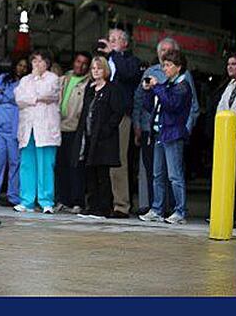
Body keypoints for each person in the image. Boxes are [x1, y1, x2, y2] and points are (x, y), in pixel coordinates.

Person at [136, 37, 200, 218]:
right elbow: (151, 106)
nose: (164, 69)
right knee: (157, 175)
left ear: (178, 67)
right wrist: (149, 90)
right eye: (163, 66)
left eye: (168, 66)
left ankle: (179, 211)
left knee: (175, 175)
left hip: (173, 134)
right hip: (160, 132)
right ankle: (157, 209)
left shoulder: (182, 86)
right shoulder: (168, 85)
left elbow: (171, 104)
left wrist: (157, 88)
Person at [98, 28, 141, 218]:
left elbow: (128, 73)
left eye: (117, 39)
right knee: (102, 160)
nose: (112, 42)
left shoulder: (131, 61)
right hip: (103, 115)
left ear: (125, 43)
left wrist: (114, 54)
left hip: (121, 115)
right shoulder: (104, 61)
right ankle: (103, 202)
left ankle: (121, 205)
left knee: (119, 161)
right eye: (110, 39)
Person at [73, 56, 124, 219]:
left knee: (103, 174)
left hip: (103, 139)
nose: (95, 71)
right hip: (89, 137)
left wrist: (106, 130)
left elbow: (117, 112)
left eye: (99, 68)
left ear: (105, 70)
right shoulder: (90, 88)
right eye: (93, 68)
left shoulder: (112, 89)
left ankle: (104, 207)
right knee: (90, 172)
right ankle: (92, 205)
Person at [13, 50, 62, 214]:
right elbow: (19, 98)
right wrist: (36, 97)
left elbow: (48, 93)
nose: (37, 64)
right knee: (27, 165)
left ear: (47, 63)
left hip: (46, 130)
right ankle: (26, 201)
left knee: (46, 165)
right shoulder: (25, 80)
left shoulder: (53, 78)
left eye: (41, 61)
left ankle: (46, 201)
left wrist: (32, 96)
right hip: (28, 128)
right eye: (34, 61)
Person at [0, 56, 29, 206]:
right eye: (19, 64)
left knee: (15, 163)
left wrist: (4, 95)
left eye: (24, 66)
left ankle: (13, 196)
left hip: (16, 129)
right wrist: (9, 97)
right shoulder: (3, 77)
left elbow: (19, 99)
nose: (21, 68)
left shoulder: (26, 82)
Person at [54, 51, 91, 214]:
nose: (80, 65)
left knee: (76, 167)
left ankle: (77, 201)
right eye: (78, 61)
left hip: (76, 129)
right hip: (59, 128)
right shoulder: (63, 79)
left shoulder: (88, 83)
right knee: (60, 166)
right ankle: (63, 199)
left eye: (84, 63)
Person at [217, 55, 236, 228]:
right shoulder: (232, 85)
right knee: (230, 178)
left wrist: (235, 123)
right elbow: (222, 106)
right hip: (229, 136)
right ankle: (229, 214)